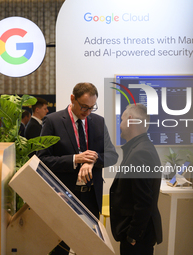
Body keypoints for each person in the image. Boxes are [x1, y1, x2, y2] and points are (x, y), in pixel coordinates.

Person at [37, 82, 118, 255]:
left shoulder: (98, 121)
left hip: (91, 195)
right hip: (64, 195)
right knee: (60, 246)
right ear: (72, 98)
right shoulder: (53, 121)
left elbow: (112, 155)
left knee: (89, 246)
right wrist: (75, 159)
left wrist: (93, 160)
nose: (87, 112)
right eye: (83, 107)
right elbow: (42, 159)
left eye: (91, 107)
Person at [110, 103, 162, 255]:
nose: (120, 125)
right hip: (137, 236)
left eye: (121, 119)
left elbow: (144, 201)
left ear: (130, 120)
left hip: (136, 239)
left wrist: (133, 235)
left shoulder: (140, 153)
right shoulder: (139, 148)